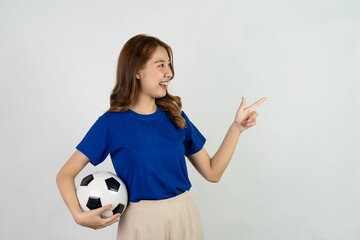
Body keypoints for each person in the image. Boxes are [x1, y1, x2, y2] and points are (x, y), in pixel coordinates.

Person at [56, 33, 267, 240]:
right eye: (161, 65)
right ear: (137, 71)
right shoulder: (110, 124)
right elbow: (65, 175)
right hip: (139, 224)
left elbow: (213, 173)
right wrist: (78, 215)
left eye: (169, 64)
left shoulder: (175, 117)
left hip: (184, 217)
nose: (169, 73)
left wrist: (236, 128)